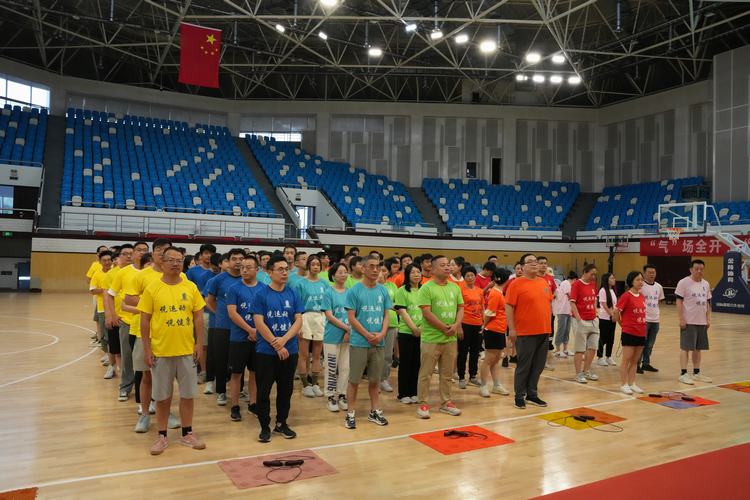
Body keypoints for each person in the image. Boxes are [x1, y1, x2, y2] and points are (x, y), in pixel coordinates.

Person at [138, 246, 206, 456]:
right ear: (162, 262)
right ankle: (162, 436)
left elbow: (198, 317)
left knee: (188, 395)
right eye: (171, 260)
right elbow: (145, 321)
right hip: (161, 351)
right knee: (162, 397)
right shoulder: (152, 288)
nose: (176, 263)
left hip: (186, 351)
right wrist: (147, 349)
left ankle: (187, 433)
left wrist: (199, 344)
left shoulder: (190, 287)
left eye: (179, 260)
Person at [124, 239, 182, 433]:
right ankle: (144, 414)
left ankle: (166, 412)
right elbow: (128, 298)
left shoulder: (180, 276)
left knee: (166, 378)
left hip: (170, 334)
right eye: (159, 250)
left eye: (166, 250)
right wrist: (154, 302)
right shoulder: (142, 275)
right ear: (154, 253)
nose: (162, 253)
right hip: (146, 334)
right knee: (147, 376)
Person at [251, 254, 303, 442]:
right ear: (269, 272)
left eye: (286, 269)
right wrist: (276, 343)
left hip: (290, 350)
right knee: (263, 391)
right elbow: (259, 323)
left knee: (286, 390)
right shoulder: (261, 294)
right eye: (280, 269)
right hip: (266, 352)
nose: (284, 273)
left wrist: (284, 340)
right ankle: (265, 427)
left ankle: (282, 423)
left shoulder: (293, 293)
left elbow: (298, 320)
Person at [343, 254, 392, 429]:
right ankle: (350, 413)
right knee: (354, 380)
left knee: (375, 380)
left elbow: (386, 315)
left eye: (378, 267)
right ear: (363, 268)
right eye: (371, 266)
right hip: (359, 342)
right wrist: (366, 334)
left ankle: (374, 411)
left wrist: (382, 334)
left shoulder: (383, 290)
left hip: (378, 342)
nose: (375, 270)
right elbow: (351, 317)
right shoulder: (354, 290)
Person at [415, 255, 464, 419]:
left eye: (448, 264)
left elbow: (461, 308)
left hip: (450, 338)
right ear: (433, 269)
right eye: (443, 265)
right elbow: (426, 312)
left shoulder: (455, 288)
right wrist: (444, 327)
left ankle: (446, 402)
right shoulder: (426, 288)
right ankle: (423, 403)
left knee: (447, 373)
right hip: (431, 338)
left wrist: (455, 326)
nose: (448, 267)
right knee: (426, 373)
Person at [506, 253, 553, 409]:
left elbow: (547, 305)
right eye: (530, 261)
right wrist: (512, 329)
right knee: (524, 366)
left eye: (536, 261)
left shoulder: (543, 282)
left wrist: (549, 327)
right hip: (525, 332)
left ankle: (532, 394)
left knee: (538, 365)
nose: (534, 264)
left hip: (544, 331)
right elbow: (509, 307)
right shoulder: (516, 284)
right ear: (522, 266)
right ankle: (519, 396)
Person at [204, 248, 245, 406]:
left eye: (241, 258)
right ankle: (221, 391)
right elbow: (209, 300)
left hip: (242, 328)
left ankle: (240, 389)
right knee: (221, 359)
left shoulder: (248, 279)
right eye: (234, 258)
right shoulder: (218, 279)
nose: (238, 261)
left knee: (239, 361)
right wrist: (220, 313)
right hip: (222, 326)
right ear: (228, 261)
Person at [226, 255, 265, 422]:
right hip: (239, 337)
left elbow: (266, 313)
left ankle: (253, 403)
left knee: (255, 373)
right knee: (236, 373)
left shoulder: (264, 288)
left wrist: (258, 331)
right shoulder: (234, 288)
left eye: (248, 267)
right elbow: (232, 313)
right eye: (242, 267)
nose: (244, 270)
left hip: (259, 338)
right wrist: (250, 329)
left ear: (257, 269)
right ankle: (235, 406)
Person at [105, 243, 138, 401]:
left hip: (144, 321)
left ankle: (145, 389)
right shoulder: (119, 273)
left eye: (132, 253)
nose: (129, 256)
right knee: (126, 356)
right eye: (125, 253)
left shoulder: (148, 271)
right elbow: (108, 294)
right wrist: (111, 314)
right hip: (126, 320)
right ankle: (125, 386)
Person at [293, 254, 329, 398]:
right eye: (313, 264)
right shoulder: (300, 284)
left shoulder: (325, 284)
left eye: (317, 265)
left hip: (320, 317)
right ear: (308, 266)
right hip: (305, 317)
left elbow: (328, 304)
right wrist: (298, 324)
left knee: (317, 355)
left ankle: (314, 383)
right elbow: (297, 305)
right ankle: (305, 385)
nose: (315, 267)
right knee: (303, 354)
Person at [675, 260, 712, 385]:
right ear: (691, 269)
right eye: (696, 269)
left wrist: (708, 318)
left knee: (698, 348)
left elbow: (707, 302)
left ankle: (696, 373)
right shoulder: (683, 282)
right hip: (688, 321)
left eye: (701, 269)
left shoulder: (706, 284)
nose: (699, 271)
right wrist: (681, 318)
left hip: (702, 321)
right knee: (685, 347)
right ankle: (683, 373)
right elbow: (679, 301)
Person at [321, 262, 351, 412]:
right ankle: (331, 396)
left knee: (346, 367)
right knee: (331, 367)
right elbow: (329, 315)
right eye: (340, 272)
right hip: (332, 336)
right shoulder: (329, 292)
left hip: (349, 335)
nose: (343, 274)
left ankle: (342, 394)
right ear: (333, 275)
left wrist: (349, 331)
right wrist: (346, 328)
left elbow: (354, 313)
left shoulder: (350, 293)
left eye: (345, 272)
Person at [612, 271, 647, 395]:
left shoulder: (642, 296)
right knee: (626, 360)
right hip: (629, 332)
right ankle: (624, 384)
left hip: (641, 332)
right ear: (631, 281)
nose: (640, 282)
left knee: (635, 361)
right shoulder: (626, 296)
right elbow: (616, 312)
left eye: (642, 280)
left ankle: (632, 383)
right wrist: (623, 324)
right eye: (638, 280)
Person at [479, 267, 512, 398]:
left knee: (496, 359)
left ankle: (496, 385)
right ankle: (483, 386)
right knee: (488, 359)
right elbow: (489, 313)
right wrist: (484, 326)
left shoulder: (499, 292)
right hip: (492, 330)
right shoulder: (495, 293)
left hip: (500, 330)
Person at [394, 264, 423, 404]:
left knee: (417, 363)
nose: (416, 275)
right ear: (407, 275)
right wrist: (414, 328)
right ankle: (403, 393)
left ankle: (414, 391)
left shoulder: (424, 290)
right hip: (406, 332)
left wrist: (421, 328)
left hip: (423, 331)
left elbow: (428, 311)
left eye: (418, 272)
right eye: (413, 272)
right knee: (406, 363)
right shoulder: (402, 291)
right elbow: (402, 311)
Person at [570, 264, 600, 384]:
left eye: (595, 274)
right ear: (584, 272)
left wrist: (596, 313)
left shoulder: (593, 284)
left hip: (593, 320)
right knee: (580, 349)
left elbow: (594, 300)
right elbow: (572, 303)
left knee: (593, 347)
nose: (593, 276)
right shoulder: (577, 284)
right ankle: (578, 374)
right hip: (581, 321)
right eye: (591, 274)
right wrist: (579, 320)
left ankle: (586, 371)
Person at [90, 250, 116, 378]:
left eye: (109, 260)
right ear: (100, 262)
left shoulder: (115, 273)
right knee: (104, 335)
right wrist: (105, 290)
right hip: (102, 308)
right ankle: (108, 354)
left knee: (113, 338)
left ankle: (113, 361)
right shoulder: (97, 274)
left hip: (115, 310)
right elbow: (93, 290)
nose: (107, 262)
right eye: (104, 260)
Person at [457, 265, 483, 389]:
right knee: (462, 352)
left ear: (475, 276)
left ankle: (473, 376)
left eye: (472, 275)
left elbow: (482, 307)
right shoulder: (460, 290)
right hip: (465, 324)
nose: (470, 277)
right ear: (464, 277)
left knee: (475, 352)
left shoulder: (479, 291)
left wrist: (483, 323)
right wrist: (459, 327)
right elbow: (457, 309)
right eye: (467, 275)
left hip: (477, 324)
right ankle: (461, 377)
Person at [638, 264, 664, 373]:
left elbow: (659, 301)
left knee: (650, 344)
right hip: (644, 320)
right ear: (644, 273)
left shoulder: (659, 287)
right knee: (641, 343)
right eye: (649, 272)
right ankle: (636, 365)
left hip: (655, 319)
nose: (652, 274)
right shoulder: (640, 286)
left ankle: (646, 363)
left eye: (653, 272)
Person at [379, 266, 400, 393]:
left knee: (387, 354)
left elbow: (397, 303)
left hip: (391, 323)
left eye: (384, 270)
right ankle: (374, 380)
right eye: (379, 270)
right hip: (375, 324)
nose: (381, 273)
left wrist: (393, 306)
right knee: (375, 354)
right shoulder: (371, 286)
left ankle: (384, 379)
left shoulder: (392, 286)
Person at [596, 273, 618, 367]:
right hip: (604, 318)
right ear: (606, 280)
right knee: (603, 338)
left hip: (612, 318)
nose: (614, 279)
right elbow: (604, 305)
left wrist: (615, 315)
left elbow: (615, 305)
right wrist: (611, 314)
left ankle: (608, 356)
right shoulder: (602, 290)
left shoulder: (612, 290)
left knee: (611, 338)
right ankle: (600, 357)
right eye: (612, 278)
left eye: (614, 278)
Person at [553, 271, 576, 357]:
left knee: (567, 331)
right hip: (562, 311)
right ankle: (558, 350)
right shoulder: (566, 283)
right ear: (574, 279)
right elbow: (570, 295)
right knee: (561, 330)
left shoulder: (570, 284)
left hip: (568, 311)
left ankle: (565, 349)